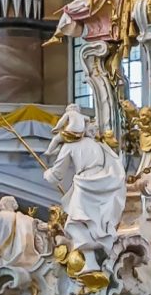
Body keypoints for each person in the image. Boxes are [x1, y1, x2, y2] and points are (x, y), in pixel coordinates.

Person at [44, 104, 127, 272]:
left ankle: (90, 263)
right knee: (100, 222)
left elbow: (57, 175)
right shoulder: (100, 146)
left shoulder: (69, 146)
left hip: (85, 184)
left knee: (77, 222)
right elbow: (114, 163)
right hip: (105, 183)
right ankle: (102, 257)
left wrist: (47, 174)